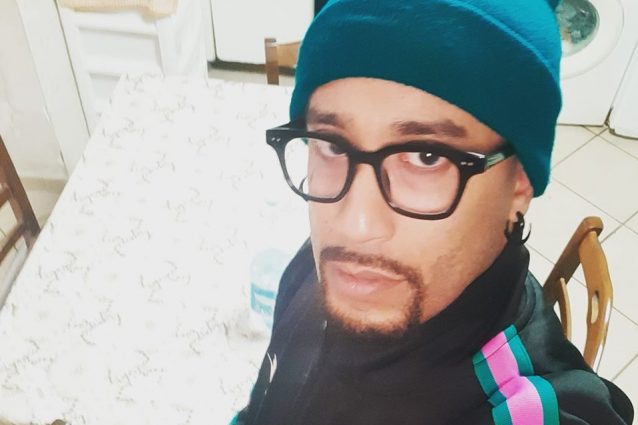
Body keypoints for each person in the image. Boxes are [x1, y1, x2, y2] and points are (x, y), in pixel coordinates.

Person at [234, 0, 634, 423]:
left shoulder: (520, 410)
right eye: (332, 144)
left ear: (520, 182)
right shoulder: (320, 268)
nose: (355, 225)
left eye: (427, 156)